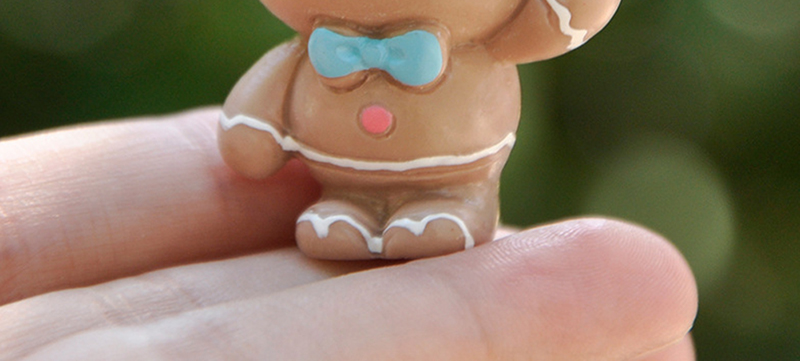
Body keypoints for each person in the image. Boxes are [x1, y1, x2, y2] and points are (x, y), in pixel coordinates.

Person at [0, 108, 697, 359]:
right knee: (337, 220)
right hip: (339, 181)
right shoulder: (312, 46)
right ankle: (351, 216)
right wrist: (257, 124)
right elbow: (253, 121)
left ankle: (441, 212)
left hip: (454, 179)